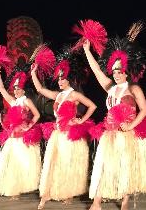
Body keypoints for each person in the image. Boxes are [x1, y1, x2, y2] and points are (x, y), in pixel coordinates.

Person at [82, 21, 146, 210]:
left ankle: (124, 202)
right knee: (103, 166)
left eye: (119, 71)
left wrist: (131, 126)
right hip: (110, 134)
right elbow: (97, 71)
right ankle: (96, 202)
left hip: (127, 135)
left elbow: (145, 110)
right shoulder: (110, 88)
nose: (116, 74)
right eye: (114, 71)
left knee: (125, 168)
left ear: (126, 71)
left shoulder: (134, 88)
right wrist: (87, 51)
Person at [32, 48, 97, 210]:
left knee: (68, 163)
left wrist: (80, 120)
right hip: (58, 134)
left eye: (63, 78)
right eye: (59, 78)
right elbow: (40, 90)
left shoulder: (74, 95)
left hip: (70, 134)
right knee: (53, 163)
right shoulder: (58, 95)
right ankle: (47, 194)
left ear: (69, 79)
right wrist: (33, 73)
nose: (60, 81)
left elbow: (92, 106)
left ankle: (68, 192)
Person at [0, 64, 42, 203]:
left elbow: (37, 115)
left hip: (22, 139)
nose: (15, 91)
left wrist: (29, 127)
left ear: (23, 89)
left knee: (21, 165)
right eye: (14, 88)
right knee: (7, 164)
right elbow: (1, 88)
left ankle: (17, 190)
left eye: (17, 88)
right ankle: (2, 189)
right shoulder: (13, 102)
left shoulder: (26, 101)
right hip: (12, 139)